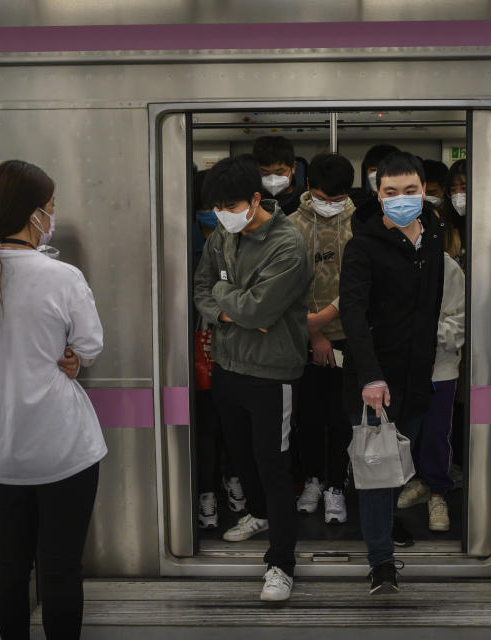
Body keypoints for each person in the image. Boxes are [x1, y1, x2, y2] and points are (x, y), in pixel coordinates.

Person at [0, 160, 105, 639]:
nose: (53, 217)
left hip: (0, 450)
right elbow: (88, 346)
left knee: (10, 565)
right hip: (63, 448)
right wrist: (70, 361)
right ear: (34, 214)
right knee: (60, 569)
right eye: (52, 208)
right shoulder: (62, 276)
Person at [193, 155, 312, 602]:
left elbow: (261, 310)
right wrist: (233, 307)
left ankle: (281, 563)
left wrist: (237, 307)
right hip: (227, 366)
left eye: (231, 205)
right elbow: (201, 289)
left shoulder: (287, 245)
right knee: (241, 456)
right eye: (217, 206)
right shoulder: (222, 237)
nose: (223, 214)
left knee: (273, 467)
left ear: (256, 199)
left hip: (271, 374)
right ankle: (257, 514)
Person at [340, 151, 445, 594]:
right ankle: (381, 562)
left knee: (399, 470)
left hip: (418, 376)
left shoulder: (434, 235)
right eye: (390, 192)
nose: (401, 199)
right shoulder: (363, 246)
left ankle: (382, 537)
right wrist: (370, 376)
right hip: (376, 382)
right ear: (377, 195)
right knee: (378, 474)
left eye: (410, 191)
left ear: (423, 191)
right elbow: (353, 313)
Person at [288, 153, 357, 524]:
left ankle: (335, 485)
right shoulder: (289, 226)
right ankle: (313, 479)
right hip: (299, 335)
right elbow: (283, 287)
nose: (329, 206)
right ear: (307, 188)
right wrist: (312, 331)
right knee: (308, 414)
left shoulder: (360, 223)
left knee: (342, 415)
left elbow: (361, 282)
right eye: (321, 197)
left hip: (347, 335)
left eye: (336, 199)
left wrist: (327, 321)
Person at [190, 172, 245, 527]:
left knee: (236, 421)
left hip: (237, 342)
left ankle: (233, 477)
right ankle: (206, 488)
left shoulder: (244, 238)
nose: (218, 212)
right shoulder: (186, 239)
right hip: (195, 342)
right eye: (211, 205)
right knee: (205, 422)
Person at [397, 250, 465, 531]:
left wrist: (423, 333)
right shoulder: (385, 258)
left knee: (436, 432)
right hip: (399, 364)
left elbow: (459, 319)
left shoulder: (445, 265)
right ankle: (416, 483)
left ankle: (437, 492)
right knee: (403, 432)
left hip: (441, 366)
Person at [422, 159, 463, 260]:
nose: (425, 197)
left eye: (431, 193)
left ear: (444, 190)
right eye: (421, 193)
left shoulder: (454, 218)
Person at [253, 136, 303, 215]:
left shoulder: (305, 200)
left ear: (293, 167)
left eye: (279, 172)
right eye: (265, 172)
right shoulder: (250, 200)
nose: (273, 179)